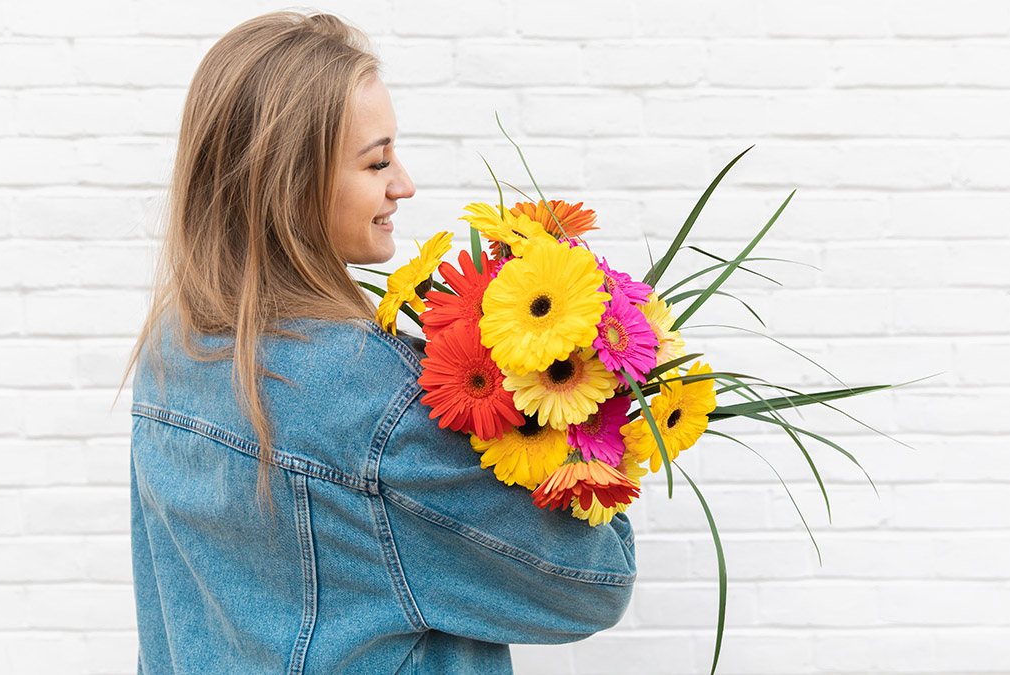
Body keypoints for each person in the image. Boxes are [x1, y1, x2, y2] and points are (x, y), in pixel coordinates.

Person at [121, 10, 636, 674]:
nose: (403, 183)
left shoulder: (173, 347)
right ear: (292, 185)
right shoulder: (371, 398)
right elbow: (593, 581)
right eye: (377, 161)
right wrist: (578, 411)